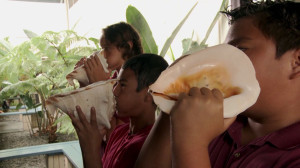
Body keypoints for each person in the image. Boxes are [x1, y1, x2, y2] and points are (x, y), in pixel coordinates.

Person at [134, 1, 300, 168]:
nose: (222, 60)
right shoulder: (214, 118)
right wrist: (174, 97)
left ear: (297, 62)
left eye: (240, 49)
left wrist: (193, 143)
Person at [68, 54, 169, 168]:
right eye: (116, 83)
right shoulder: (119, 132)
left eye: (123, 85)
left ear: (150, 93)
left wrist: (90, 149)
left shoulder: (149, 146)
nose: (115, 91)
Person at [74, 21, 143, 152]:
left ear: (127, 47)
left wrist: (98, 85)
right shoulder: (114, 78)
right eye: (102, 48)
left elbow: (113, 133)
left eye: (107, 48)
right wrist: (84, 82)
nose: (103, 54)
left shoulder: (136, 81)